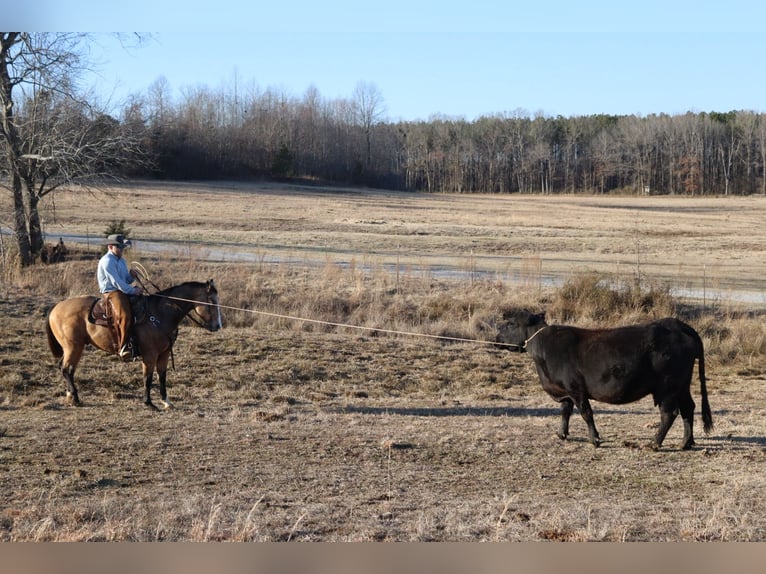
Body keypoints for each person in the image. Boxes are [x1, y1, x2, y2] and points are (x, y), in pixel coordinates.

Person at [97, 234, 143, 359]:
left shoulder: (121, 260)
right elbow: (116, 283)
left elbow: (124, 280)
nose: (122, 250)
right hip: (112, 292)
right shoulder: (107, 261)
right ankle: (123, 347)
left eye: (123, 247)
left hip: (121, 290)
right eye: (119, 247)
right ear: (110, 246)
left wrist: (131, 276)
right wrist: (133, 291)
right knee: (125, 315)